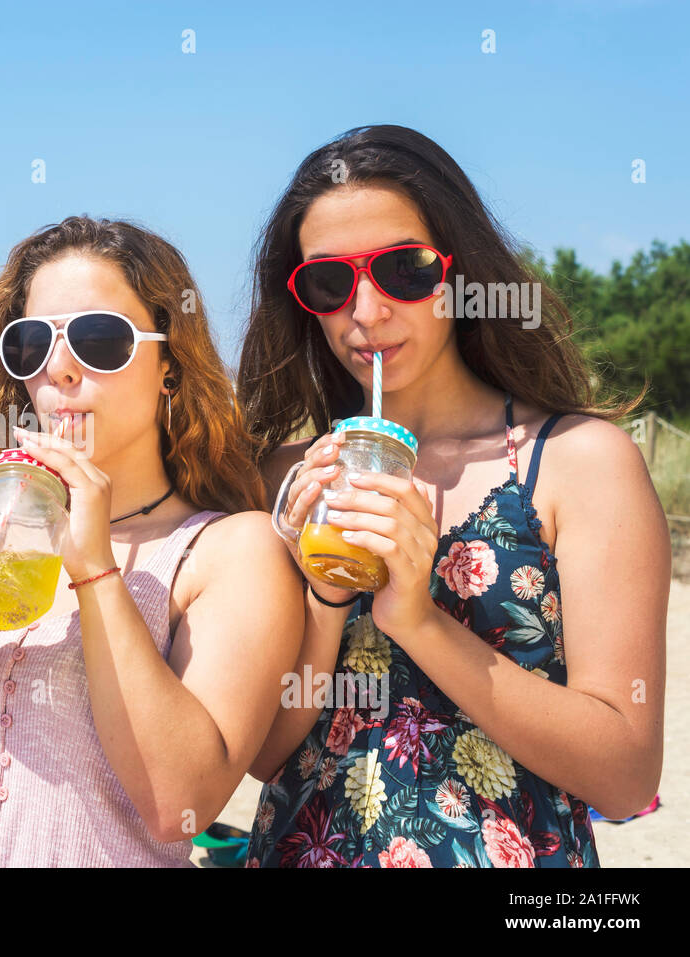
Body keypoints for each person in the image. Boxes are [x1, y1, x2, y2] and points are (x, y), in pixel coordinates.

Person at [236, 125, 668, 867]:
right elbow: (264, 756)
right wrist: (324, 599)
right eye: (330, 282)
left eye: (403, 269)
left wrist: (421, 621)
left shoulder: (576, 464)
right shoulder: (282, 482)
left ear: (459, 274)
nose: (365, 312)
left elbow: (626, 776)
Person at [0, 215, 304, 866]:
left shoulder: (229, 551)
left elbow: (178, 802)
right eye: (32, 343)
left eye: (101, 340)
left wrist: (96, 570)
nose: (61, 369)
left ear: (171, 368)